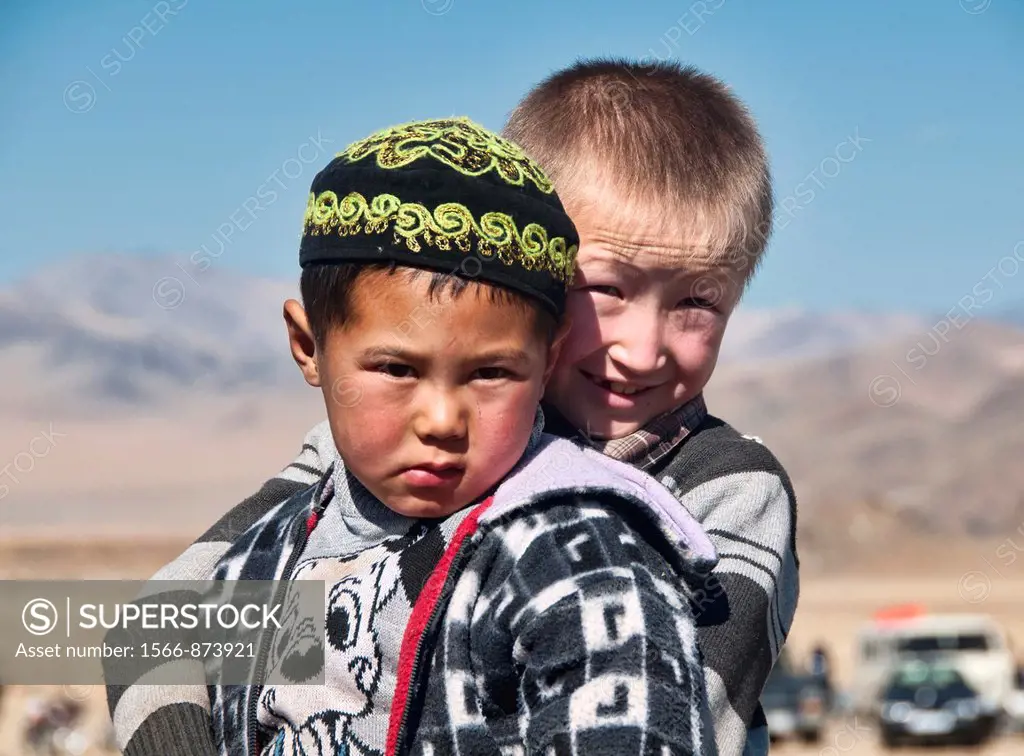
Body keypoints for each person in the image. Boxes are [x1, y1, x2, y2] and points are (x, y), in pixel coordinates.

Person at [110, 57, 800, 755]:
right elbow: (157, 631)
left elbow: (670, 714)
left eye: (696, 302)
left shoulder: (730, 489)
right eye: (607, 290)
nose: (643, 348)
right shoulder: (365, 459)